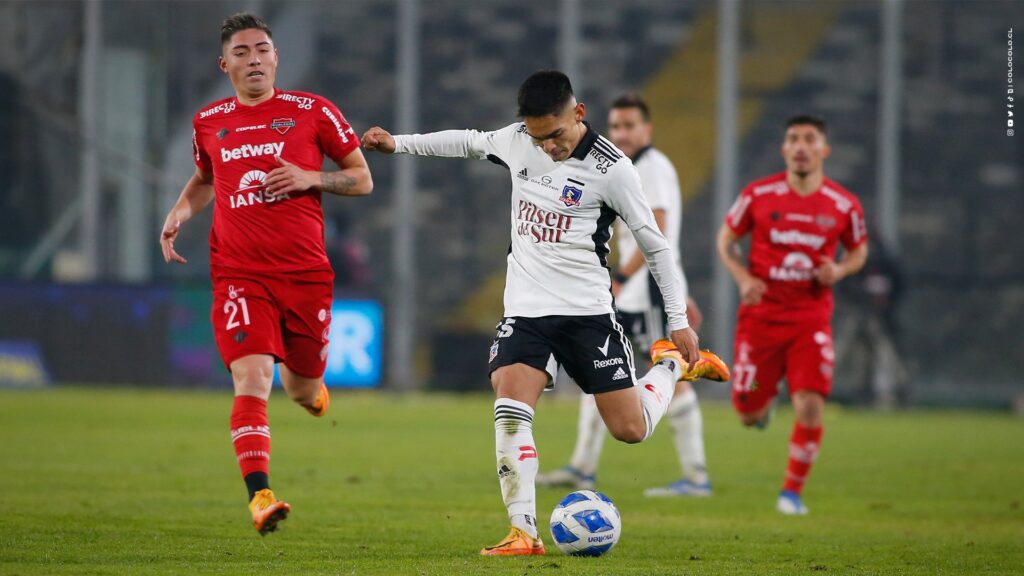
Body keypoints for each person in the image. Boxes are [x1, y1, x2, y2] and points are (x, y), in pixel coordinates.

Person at [362, 71, 728, 556]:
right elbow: (467, 143)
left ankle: (672, 365)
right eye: (538, 137)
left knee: (630, 430)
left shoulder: (613, 168)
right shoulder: (518, 142)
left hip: (588, 315)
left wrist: (678, 322)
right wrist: (396, 143)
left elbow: (656, 246)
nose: (548, 147)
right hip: (526, 313)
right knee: (510, 411)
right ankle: (523, 532)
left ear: (578, 114)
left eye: (555, 135)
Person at [159, 13, 373, 535]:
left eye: (262, 49)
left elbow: (361, 180)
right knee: (251, 377)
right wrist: (181, 212)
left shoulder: (312, 111)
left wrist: (309, 176)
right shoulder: (208, 120)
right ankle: (260, 496)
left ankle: (311, 392)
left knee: (301, 390)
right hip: (238, 274)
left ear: (276, 57)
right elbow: (206, 178)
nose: (253, 59)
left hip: (305, 276)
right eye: (242, 52)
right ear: (224, 63)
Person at [536, 94, 718, 498]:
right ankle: (582, 467)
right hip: (628, 296)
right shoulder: (622, 165)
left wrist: (619, 278)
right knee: (601, 373)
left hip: (645, 293)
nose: (621, 133)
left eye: (630, 125)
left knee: (675, 374)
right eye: (616, 126)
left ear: (647, 129)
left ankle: (696, 476)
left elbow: (660, 229)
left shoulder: (652, 167)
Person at [716, 115, 868, 515]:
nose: (801, 146)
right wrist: (742, 277)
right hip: (760, 317)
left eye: (810, 139)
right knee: (748, 414)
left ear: (824, 149)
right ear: (784, 149)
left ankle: (791, 493)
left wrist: (840, 270)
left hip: (810, 319)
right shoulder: (758, 194)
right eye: (794, 139)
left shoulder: (843, 205)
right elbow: (727, 238)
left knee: (810, 404)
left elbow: (858, 250)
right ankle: (763, 406)